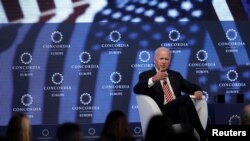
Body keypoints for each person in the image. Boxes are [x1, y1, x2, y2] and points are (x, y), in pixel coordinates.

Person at [133, 47, 207, 141]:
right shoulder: (146, 75)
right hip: (161, 113)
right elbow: (137, 89)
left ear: (169, 61)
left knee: (184, 108)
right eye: (161, 58)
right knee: (185, 99)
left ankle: (188, 137)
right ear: (155, 60)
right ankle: (202, 135)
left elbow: (190, 86)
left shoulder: (175, 75)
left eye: (166, 59)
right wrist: (154, 79)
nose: (164, 62)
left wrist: (198, 90)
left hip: (177, 113)